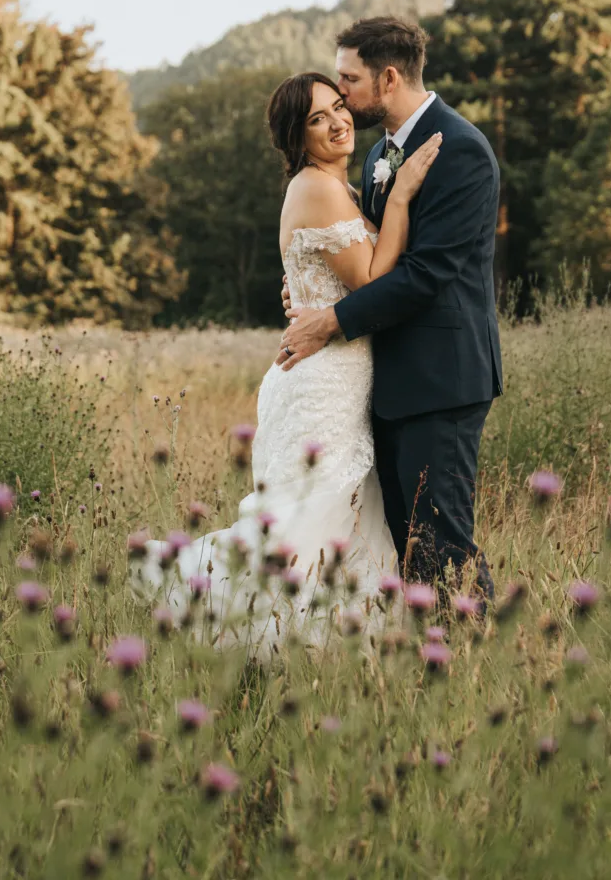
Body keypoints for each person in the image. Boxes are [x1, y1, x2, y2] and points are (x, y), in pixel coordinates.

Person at [129, 70, 440, 655]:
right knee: (311, 512)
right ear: (297, 138)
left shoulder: (340, 191)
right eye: (316, 119)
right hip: (321, 380)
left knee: (338, 510)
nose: (337, 122)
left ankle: (329, 644)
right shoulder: (317, 188)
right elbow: (374, 279)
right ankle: (256, 630)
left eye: (339, 107)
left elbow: (338, 281)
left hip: (340, 374)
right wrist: (400, 196)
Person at [278, 17, 503, 601]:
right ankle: (427, 665)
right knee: (402, 547)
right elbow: (367, 255)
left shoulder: (461, 150)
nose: (342, 95)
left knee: (442, 544)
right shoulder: (380, 153)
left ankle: (478, 657)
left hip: (441, 380)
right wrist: (310, 291)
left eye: (349, 81)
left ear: (389, 78)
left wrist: (331, 319)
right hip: (381, 381)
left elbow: (425, 275)